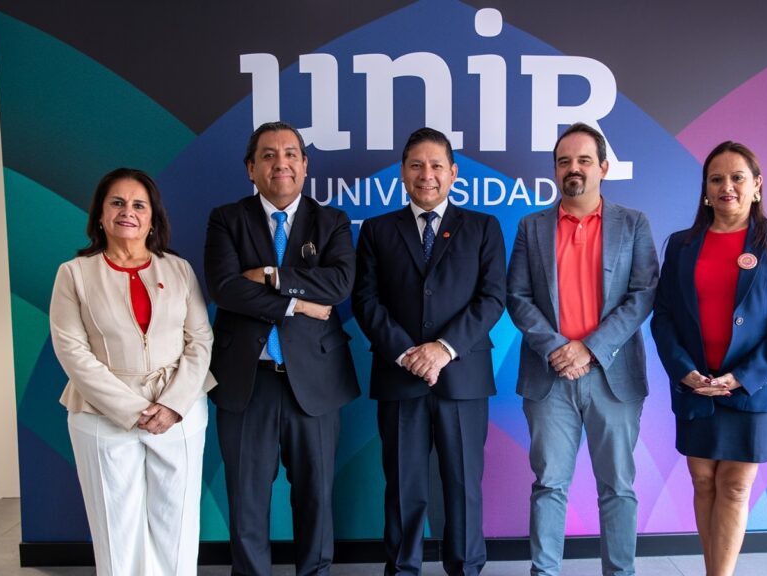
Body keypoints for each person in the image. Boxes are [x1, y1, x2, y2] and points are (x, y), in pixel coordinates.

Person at [204, 121, 360, 576]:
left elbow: (338, 284)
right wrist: (299, 304)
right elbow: (226, 288)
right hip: (246, 381)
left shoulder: (331, 221)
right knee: (247, 499)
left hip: (315, 383)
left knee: (316, 497)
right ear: (251, 168)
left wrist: (271, 276)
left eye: (291, 154)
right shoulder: (226, 219)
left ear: (305, 165)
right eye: (268, 155)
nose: (281, 163)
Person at [352, 127, 506, 576]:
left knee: (463, 487)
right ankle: (403, 570)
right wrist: (407, 353)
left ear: (453, 172)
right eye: (416, 165)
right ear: (402, 172)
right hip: (400, 377)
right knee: (404, 488)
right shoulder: (378, 230)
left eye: (437, 165)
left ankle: (466, 569)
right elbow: (366, 301)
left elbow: (492, 298)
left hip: (463, 377)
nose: (427, 174)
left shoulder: (483, 227)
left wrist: (442, 349)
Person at [506, 123, 658, 576]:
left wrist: (589, 349)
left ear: (603, 168)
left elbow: (643, 294)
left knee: (618, 487)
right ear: (555, 170)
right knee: (549, 485)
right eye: (564, 161)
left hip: (613, 376)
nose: (573, 168)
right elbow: (517, 297)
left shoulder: (633, 223)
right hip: (549, 376)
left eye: (584, 160)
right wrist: (559, 348)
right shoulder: (531, 227)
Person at [49, 168, 215, 575]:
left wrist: (173, 405)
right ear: (100, 215)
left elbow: (200, 339)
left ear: (152, 218)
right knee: (116, 529)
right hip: (101, 415)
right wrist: (130, 409)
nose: (128, 212)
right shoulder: (73, 274)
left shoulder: (179, 270)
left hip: (179, 412)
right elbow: (72, 350)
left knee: (177, 525)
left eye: (139, 205)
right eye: (117, 203)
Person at [650, 141, 767, 576]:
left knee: (735, 487)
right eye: (716, 179)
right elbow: (663, 316)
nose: (727, 187)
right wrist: (684, 371)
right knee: (703, 482)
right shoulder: (681, 245)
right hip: (696, 386)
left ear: (757, 185)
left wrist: (743, 376)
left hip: (752, 389)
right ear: (705, 189)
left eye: (738, 178)